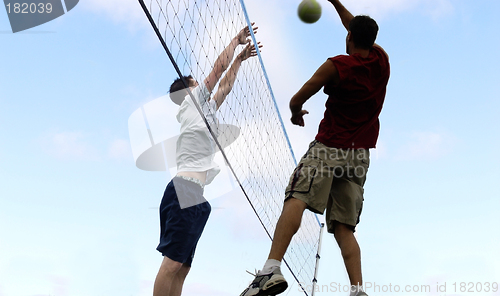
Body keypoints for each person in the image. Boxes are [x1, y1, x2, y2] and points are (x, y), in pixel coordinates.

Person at [239, 1, 390, 296]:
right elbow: (355, 25)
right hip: (360, 156)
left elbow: (297, 98)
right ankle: (358, 290)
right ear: (371, 41)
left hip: (330, 147)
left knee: (297, 197)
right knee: (345, 228)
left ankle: (270, 269)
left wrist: (296, 113)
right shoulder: (381, 60)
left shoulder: (337, 66)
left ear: (349, 38)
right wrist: (334, 2)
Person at [153, 24, 261, 296]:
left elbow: (224, 85)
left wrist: (238, 60)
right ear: (189, 91)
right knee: (172, 264)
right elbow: (215, 73)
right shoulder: (191, 103)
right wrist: (235, 41)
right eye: (197, 84)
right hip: (184, 189)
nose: (202, 85)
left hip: (197, 197)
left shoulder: (204, 111)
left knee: (183, 268)